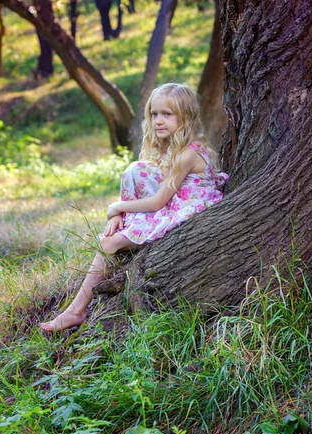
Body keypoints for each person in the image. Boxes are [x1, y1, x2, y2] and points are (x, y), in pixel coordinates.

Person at [40, 83, 228, 332]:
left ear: (186, 116)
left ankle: (76, 310)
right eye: (154, 114)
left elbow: (159, 201)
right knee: (135, 170)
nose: (159, 121)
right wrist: (118, 212)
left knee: (107, 244)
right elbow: (152, 186)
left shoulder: (187, 155)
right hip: (175, 205)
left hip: (186, 213)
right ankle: (118, 224)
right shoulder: (177, 149)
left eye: (167, 114)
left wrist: (116, 206)